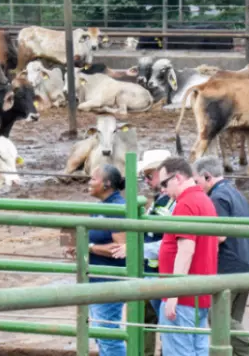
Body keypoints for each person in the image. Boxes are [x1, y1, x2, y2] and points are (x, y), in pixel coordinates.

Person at [193, 156, 249, 356]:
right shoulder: (236, 193)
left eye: (197, 181)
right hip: (248, 262)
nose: (196, 186)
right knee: (232, 322)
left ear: (207, 177)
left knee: (218, 318)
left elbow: (219, 236)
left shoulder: (217, 198)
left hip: (229, 266)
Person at [157, 157, 218, 356]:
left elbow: (186, 250)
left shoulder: (186, 204)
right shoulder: (205, 200)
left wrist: (173, 293)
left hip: (183, 298)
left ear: (178, 178)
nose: (163, 190)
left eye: (164, 184)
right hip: (200, 294)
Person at [67, 165, 127, 356]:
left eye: (93, 179)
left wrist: (89, 247)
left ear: (106, 184)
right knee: (102, 335)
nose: (89, 182)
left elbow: (122, 248)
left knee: (107, 335)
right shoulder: (103, 206)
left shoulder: (115, 208)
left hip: (109, 280)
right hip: (98, 279)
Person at [139, 149, 174, 356]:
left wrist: (137, 249)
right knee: (150, 319)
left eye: (149, 175)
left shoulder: (169, 202)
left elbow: (169, 241)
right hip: (154, 271)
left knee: (164, 323)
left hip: (160, 273)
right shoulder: (161, 200)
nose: (146, 180)